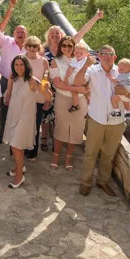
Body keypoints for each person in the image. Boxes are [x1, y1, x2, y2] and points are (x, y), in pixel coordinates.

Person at [80, 45, 130, 196]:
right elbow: (79, 82)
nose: (106, 56)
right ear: (99, 56)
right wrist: (84, 65)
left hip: (116, 121)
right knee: (90, 153)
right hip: (96, 119)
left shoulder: (124, 72)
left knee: (108, 154)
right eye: (103, 54)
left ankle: (103, 181)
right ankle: (85, 183)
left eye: (110, 54)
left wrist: (126, 92)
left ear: (114, 57)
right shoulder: (92, 71)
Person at [50, 37, 90, 171]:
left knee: (76, 129)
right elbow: (57, 83)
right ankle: (55, 157)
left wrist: (83, 90)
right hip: (62, 98)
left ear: (74, 47)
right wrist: (75, 89)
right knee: (60, 127)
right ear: (60, 47)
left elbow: (88, 80)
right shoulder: (56, 62)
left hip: (80, 99)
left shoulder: (82, 60)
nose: (67, 48)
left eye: (70, 46)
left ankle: (68, 158)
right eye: (64, 45)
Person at [0, 0, 28, 144]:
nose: (20, 33)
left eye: (23, 32)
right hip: (6, 80)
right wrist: (10, 9)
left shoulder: (30, 47)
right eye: (18, 31)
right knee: (4, 110)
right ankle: (1, 134)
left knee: (20, 110)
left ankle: (15, 135)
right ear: (13, 33)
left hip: (23, 82)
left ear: (27, 34)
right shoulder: (5, 41)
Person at [3, 55, 42, 189]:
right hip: (14, 114)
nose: (19, 67)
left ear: (26, 66)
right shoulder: (15, 79)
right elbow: (10, 93)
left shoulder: (33, 80)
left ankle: (19, 176)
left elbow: (48, 95)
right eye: (16, 65)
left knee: (16, 146)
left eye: (21, 64)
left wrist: (46, 88)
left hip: (25, 116)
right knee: (15, 143)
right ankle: (19, 167)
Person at [23, 36, 51, 162]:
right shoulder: (21, 59)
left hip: (38, 97)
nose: (32, 48)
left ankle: (32, 153)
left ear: (38, 47)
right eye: (29, 45)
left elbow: (46, 80)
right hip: (24, 97)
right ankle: (18, 149)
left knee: (35, 126)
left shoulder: (44, 61)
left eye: (34, 46)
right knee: (22, 125)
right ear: (26, 46)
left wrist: (47, 99)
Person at [65, 42, 91, 112]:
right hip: (77, 78)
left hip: (86, 77)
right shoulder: (74, 60)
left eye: (81, 53)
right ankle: (76, 105)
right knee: (74, 91)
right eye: (76, 52)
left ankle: (88, 101)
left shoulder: (87, 60)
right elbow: (70, 69)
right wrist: (66, 78)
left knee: (79, 89)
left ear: (86, 54)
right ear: (74, 52)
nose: (78, 54)